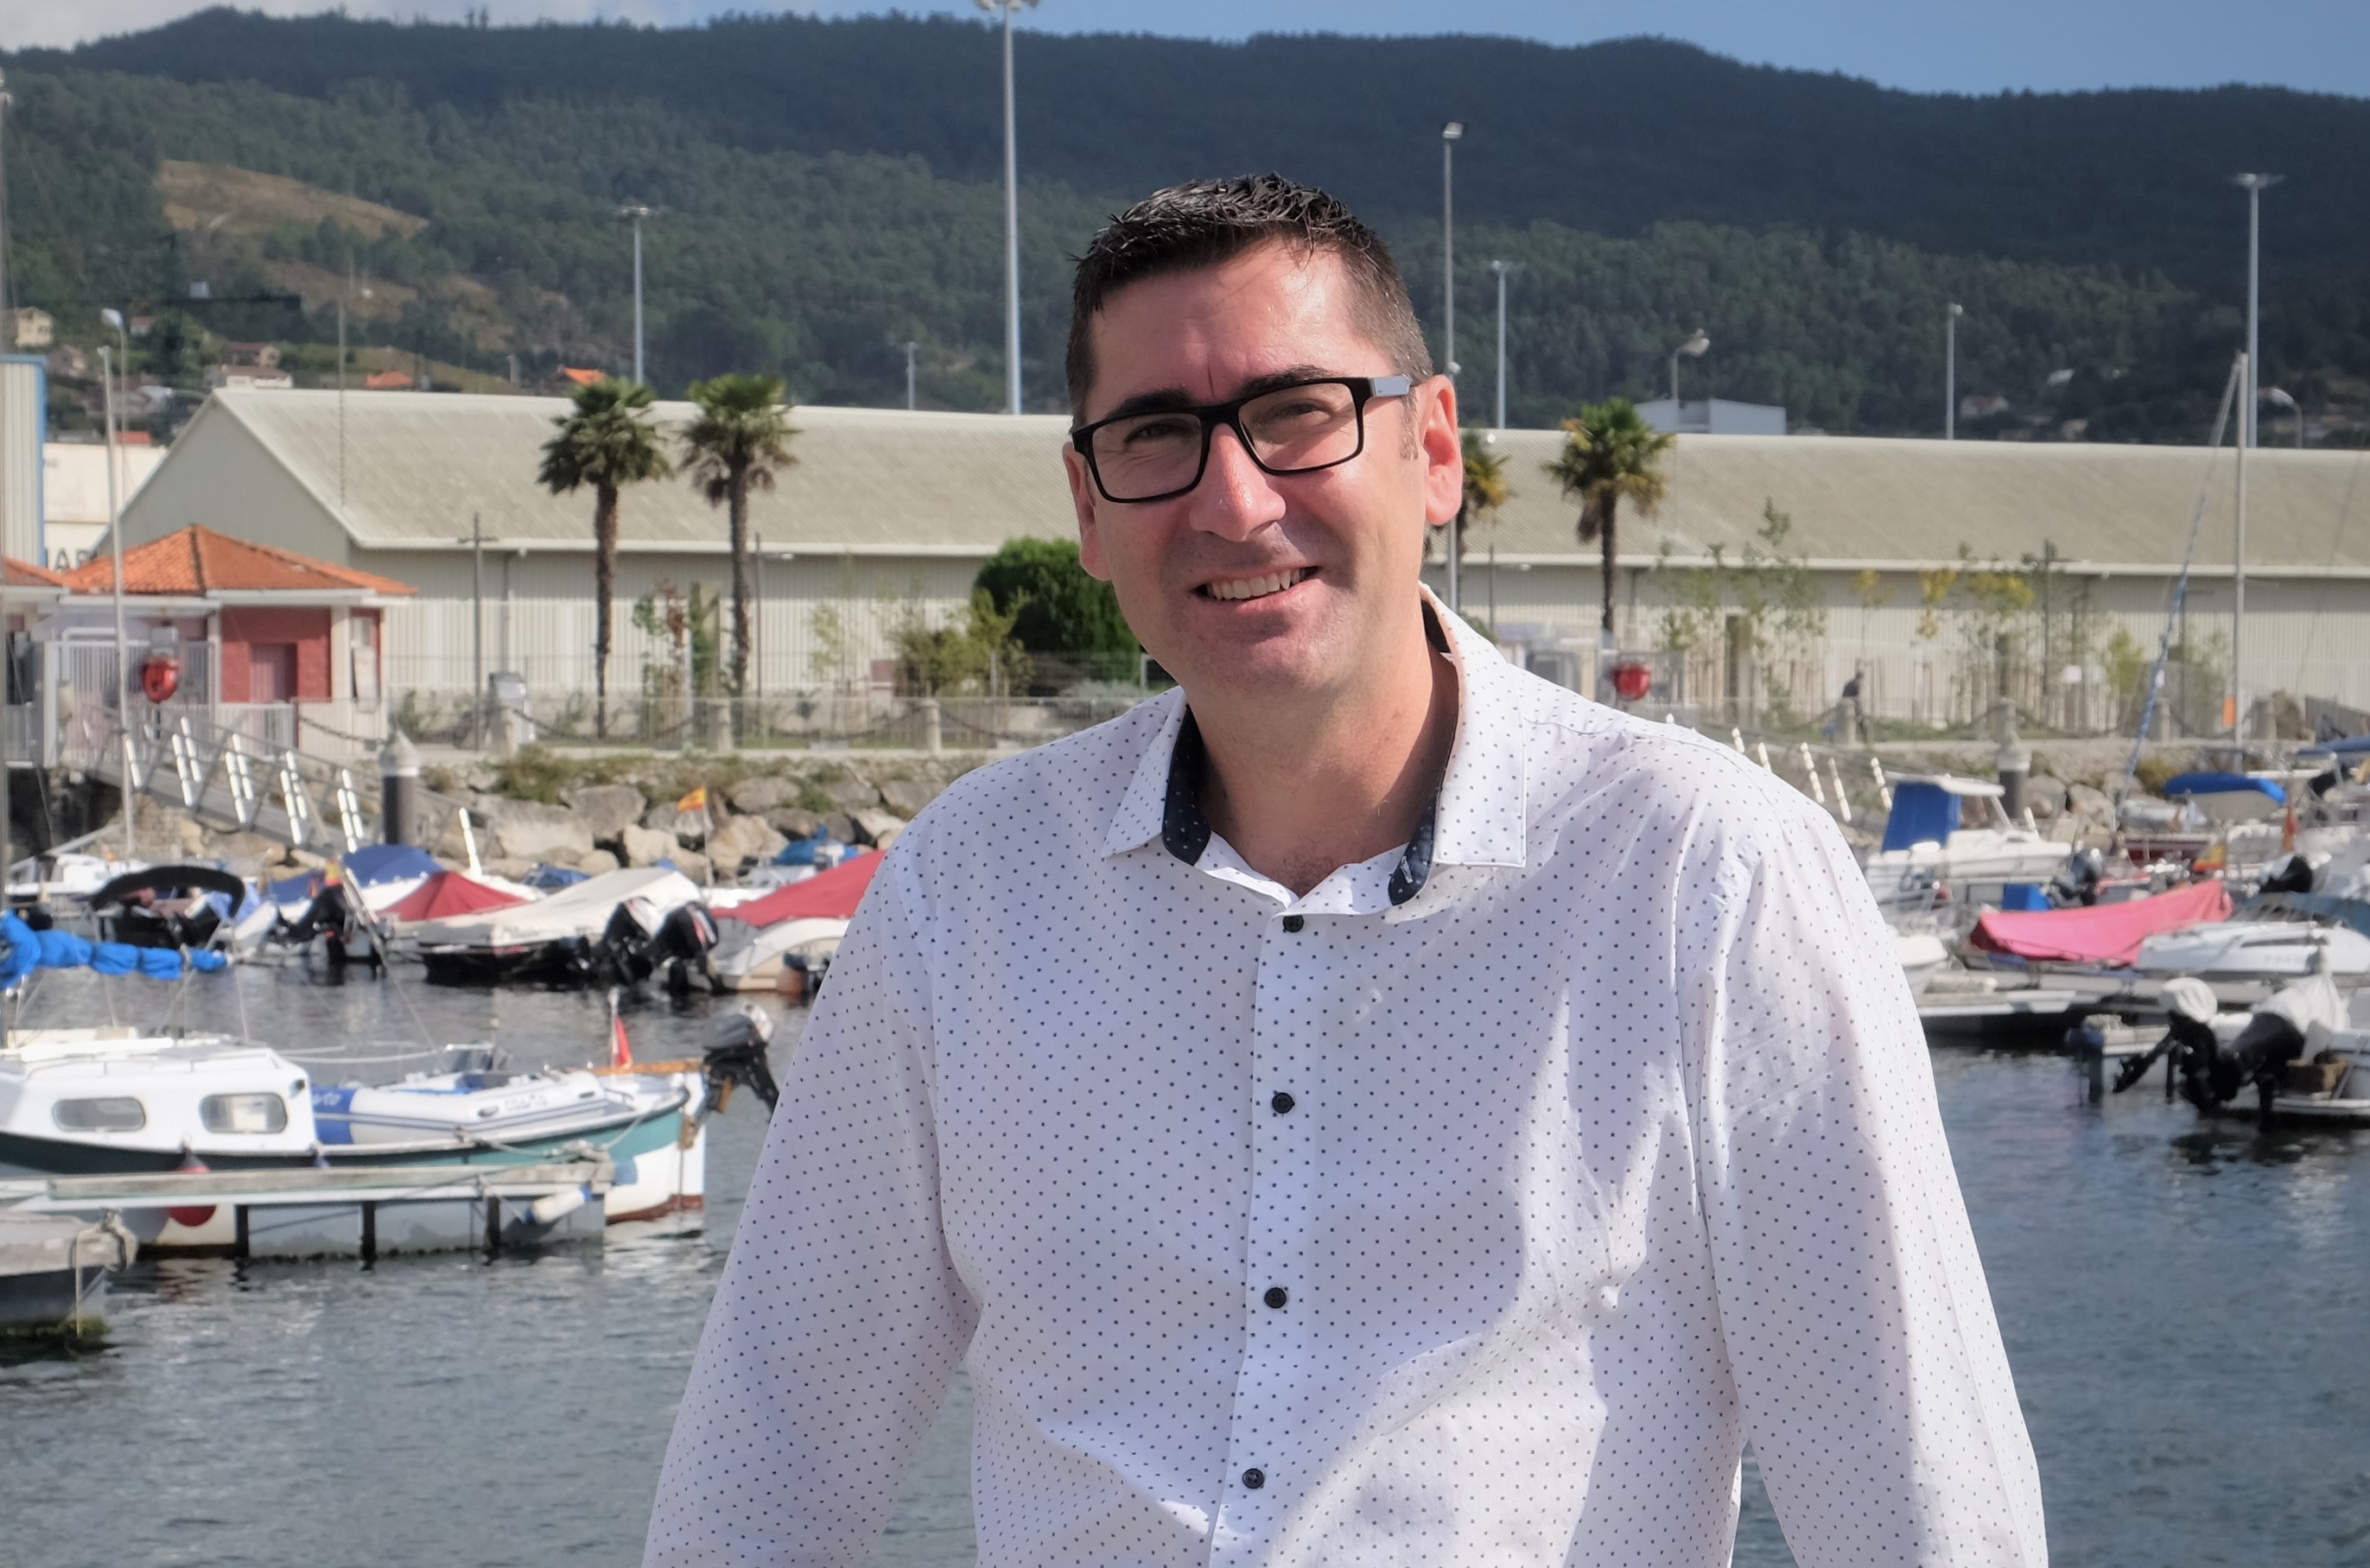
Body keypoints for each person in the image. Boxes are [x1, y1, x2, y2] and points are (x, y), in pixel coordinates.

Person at [645, 175, 2044, 1568]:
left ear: (1432, 450)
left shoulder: (1706, 879)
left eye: (1297, 414)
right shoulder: (969, 893)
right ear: (1088, 506)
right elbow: (771, 1451)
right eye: (1154, 435)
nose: (1234, 499)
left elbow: (1915, 1495)